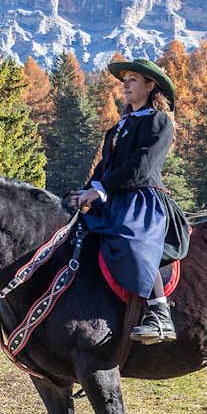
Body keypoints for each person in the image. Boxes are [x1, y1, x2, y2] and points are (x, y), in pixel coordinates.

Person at [72, 59, 189, 344]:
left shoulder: (158, 122)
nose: (125, 84)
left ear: (151, 86)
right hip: (112, 197)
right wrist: (86, 191)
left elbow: (143, 166)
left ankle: (160, 314)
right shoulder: (119, 127)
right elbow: (105, 167)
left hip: (142, 200)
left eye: (133, 79)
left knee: (132, 242)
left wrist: (101, 191)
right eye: (124, 79)